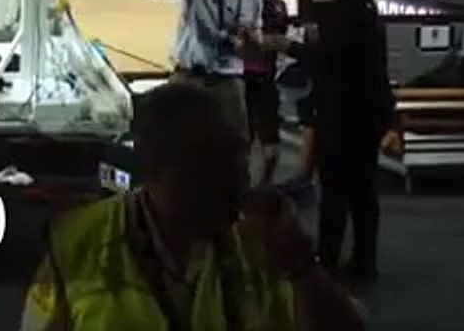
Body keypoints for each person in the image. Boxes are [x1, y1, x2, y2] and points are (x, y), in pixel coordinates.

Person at [21, 82, 368, 331]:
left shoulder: (263, 239)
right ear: (163, 168)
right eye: (218, 158)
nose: (242, 175)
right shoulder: (77, 245)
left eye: (240, 155)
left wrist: (302, 265)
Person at [267, 0, 395, 282]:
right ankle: (364, 262)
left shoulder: (347, 17)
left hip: (344, 116)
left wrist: (287, 46)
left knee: (336, 190)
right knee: (363, 192)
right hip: (367, 114)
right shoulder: (366, 13)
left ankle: (327, 259)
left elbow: (328, 57)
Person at [99, 0, 266, 140]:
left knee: (237, 144)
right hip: (189, 78)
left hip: (228, 83)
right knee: (171, 141)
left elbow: (252, 51)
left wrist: (250, 43)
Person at [290, 0, 337, 188]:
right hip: (326, 68)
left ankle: (307, 177)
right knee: (314, 122)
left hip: (326, 68)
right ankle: (308, 176)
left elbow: (312, 35)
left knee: (314, 121)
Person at [245, 0, 288, 186]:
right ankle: (266, 185)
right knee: (270, 137)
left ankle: (241, 185)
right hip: (266, 76)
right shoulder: (279, 5)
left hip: (242, 76)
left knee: (243, 136)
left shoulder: (243, 1)